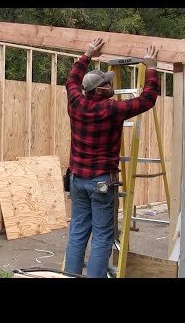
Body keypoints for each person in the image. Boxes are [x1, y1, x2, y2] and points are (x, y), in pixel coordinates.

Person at [64, 37, 160, 278]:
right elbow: (147, 99)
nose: (111, 85)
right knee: (102, 235)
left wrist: (87, 55)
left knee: (77, 232)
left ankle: (71, 276)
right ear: (99, 91)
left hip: (77, 179)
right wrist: (152, 68)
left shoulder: (75, 103)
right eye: (107, 84)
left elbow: (71, 80)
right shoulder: (111, 110)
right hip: (99, 182)